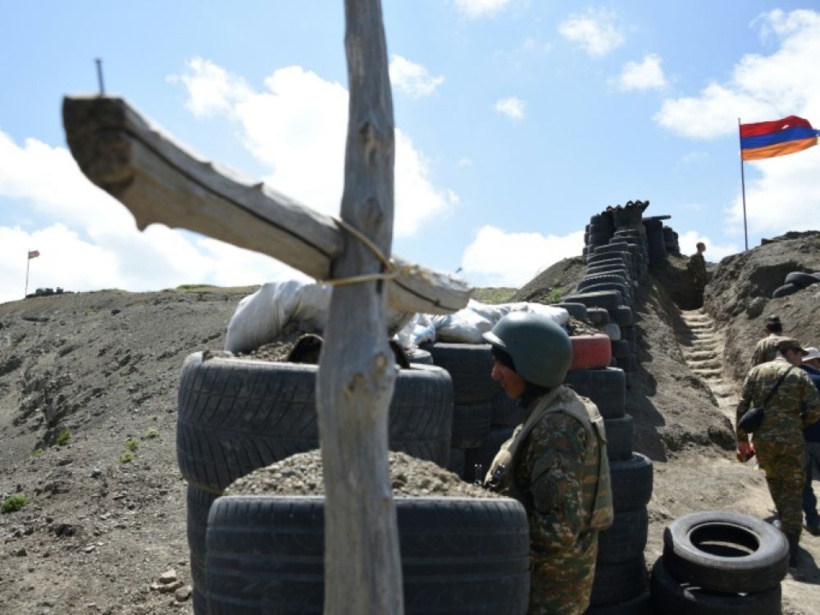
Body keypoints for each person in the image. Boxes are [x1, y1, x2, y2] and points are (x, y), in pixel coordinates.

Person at [482, 312, 613, 614]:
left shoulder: (556, 430)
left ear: (532, 367)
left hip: (546, 593)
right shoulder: (554, 405)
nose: (494, 375)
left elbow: (557, 532)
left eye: (502, 364)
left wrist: (488, 529)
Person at [736, 338, 820, 568]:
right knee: (793, 491)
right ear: (790, 353)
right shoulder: (799, 375)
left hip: (763, 442)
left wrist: (742, 439)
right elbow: (815, 410)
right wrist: (796, 424)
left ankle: (783, 527)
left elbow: (743, 406)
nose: (801, 360)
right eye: (800, 355)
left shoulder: (756, 372)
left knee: (775, 482)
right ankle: (791, 552)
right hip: (791, 442)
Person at [799, 346, 820, 535]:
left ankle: (813, 520)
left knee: (804, 481)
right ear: (815, 361)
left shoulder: (794, 380)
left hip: (801, 437)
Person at [687, 241, 708, 306]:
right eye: (703, 246)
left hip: (703, 276)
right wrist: (696, 273)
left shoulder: (701, 256)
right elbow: (689, 264)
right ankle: (698, 305)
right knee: (699, 291)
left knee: (703, 290)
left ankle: (702, 305)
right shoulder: (694, 256)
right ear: (700, 247)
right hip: (698, 277)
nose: (705, 247)